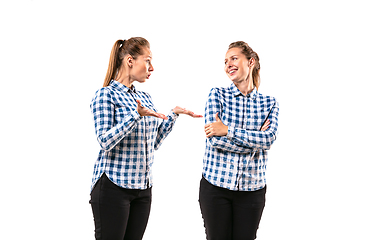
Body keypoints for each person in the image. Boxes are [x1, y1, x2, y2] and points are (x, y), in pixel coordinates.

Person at [89, 37, 202, 240]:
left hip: (142, 189)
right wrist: (135, 115)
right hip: (113, 187)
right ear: (130, 60)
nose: (152, 67)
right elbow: (104, 141)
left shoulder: (145, 97)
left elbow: (154, 142)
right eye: (148, 60)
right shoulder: (105, 95)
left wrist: (173, 115)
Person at [199, 41, 279, 240]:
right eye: (225, 61)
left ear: (250, 62)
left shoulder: (269, 103)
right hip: (215, 187)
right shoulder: (217, 95)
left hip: (252, 190)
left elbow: (268, 139)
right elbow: (215, 141)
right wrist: (254, 142)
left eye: (234, 58)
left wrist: (227, 130)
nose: (228, 65)